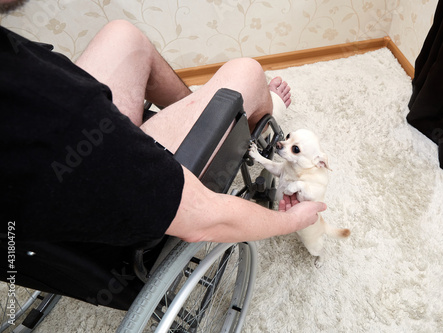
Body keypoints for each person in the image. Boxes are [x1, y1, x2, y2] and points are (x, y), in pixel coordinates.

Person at [1, 1, 326, 246]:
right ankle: (252, 117)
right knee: (247, 72)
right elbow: (203, 220)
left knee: (123, 35)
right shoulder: (55, 118)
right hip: (99, 170)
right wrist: (290, 221)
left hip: (77, 129)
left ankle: (202, 109)